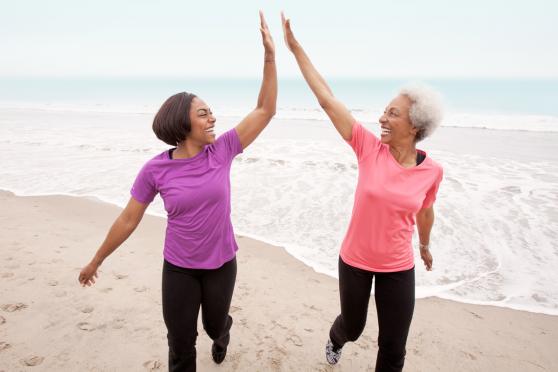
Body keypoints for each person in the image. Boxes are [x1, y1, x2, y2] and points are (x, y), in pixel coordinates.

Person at [78, 12, 277, 372]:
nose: (213, 118)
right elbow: (128, 219)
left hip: (221, 264)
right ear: (184, 125)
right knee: (181, 345)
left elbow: (265, 109)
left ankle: (223, 332)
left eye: (211, 112)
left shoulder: (224, 150)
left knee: (214, 325)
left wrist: (269, 57)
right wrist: (97, 259)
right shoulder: (155, 169)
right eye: (204, 114)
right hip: (179, 269)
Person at [281, 13, 443, 372]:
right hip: (355, 260)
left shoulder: (432, 171)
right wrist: (295, 49)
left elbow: (425, 211)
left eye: (393, 114)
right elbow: (327, 99)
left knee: (393, 346)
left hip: (398, 267)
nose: (382, 119)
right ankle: (336, 339)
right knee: (353, 327)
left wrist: (425, 245)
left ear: (415, 126)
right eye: (383, 112)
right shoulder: (369, 148)